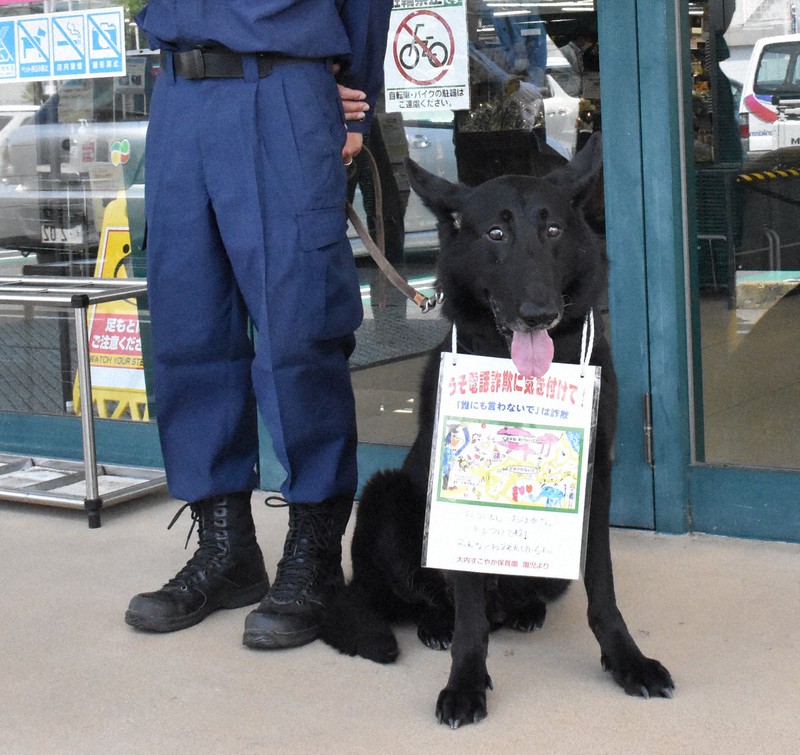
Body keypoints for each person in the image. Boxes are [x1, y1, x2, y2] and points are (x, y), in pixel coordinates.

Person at [124, 2, 393, 650]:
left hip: (282, 84)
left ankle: (314, 556)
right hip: (178, 93)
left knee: (299, 327)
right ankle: (227, 551)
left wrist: (353, 97)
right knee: (189, 326)